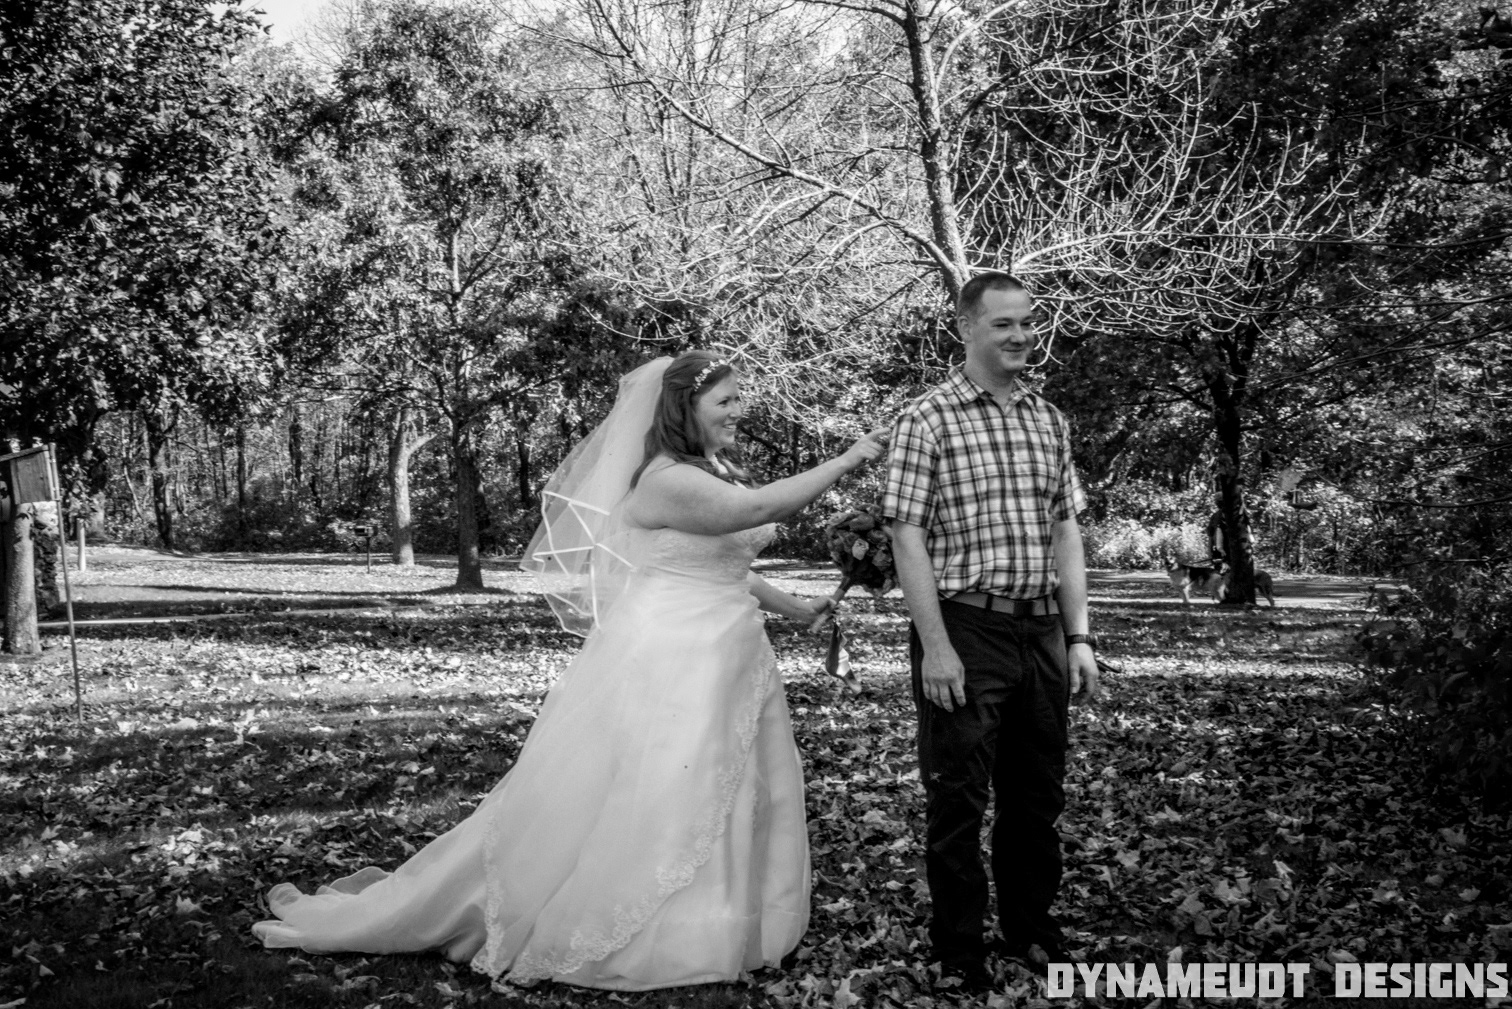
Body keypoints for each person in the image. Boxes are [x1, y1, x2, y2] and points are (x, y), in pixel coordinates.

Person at [251, 351, 889, 990]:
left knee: (727, 779)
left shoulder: (708, 473)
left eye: (738, 398)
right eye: (725, 400)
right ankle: (645, 932)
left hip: (728, 645)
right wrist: (847, 459)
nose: (739, 411)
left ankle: (720, 920)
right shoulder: (665, 481)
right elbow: (750, 514)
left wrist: (795, 606)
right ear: (683, 408)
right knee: (668, 783)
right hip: (677, 651)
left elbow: (722, 563)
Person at [880, 272, 1099, 990]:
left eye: (1028, 322)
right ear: (967, 327)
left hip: (1041, 630)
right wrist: (936, 646)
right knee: (958, 797)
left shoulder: (1049, 419)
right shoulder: (927, 419)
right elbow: (907, 537)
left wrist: (1079, 636)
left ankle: (1030, 929)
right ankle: (960, 947)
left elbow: (1065, 530)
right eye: (1004, 323)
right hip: (965, 626)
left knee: (1037, 796)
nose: (1021, 335)